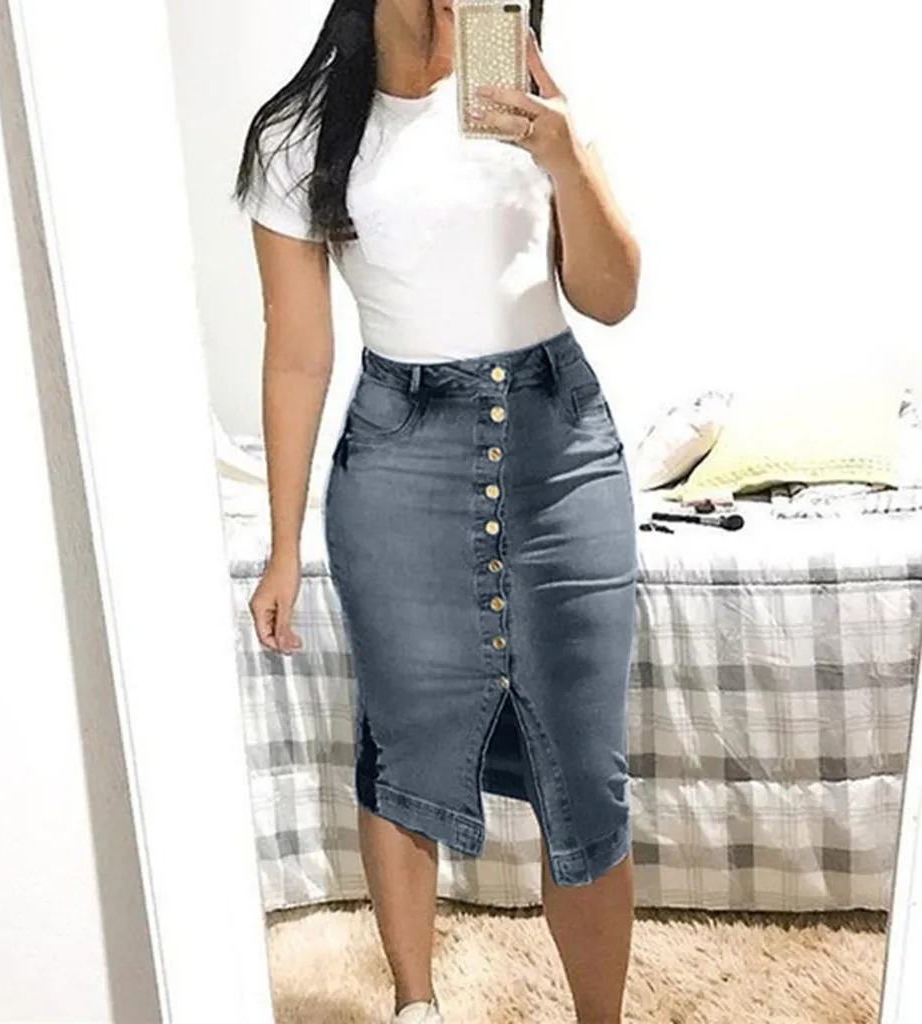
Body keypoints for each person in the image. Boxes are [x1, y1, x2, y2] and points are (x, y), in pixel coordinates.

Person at [234, 1, 641, 1021]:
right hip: (398, 456)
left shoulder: (524, 86)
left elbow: (611, 295)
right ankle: (416, 1005)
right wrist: (282, 547)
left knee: (585, 768)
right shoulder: (298, 131)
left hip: (559, 451)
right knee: (403, 739)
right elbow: (296, 354)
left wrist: (564, 155)